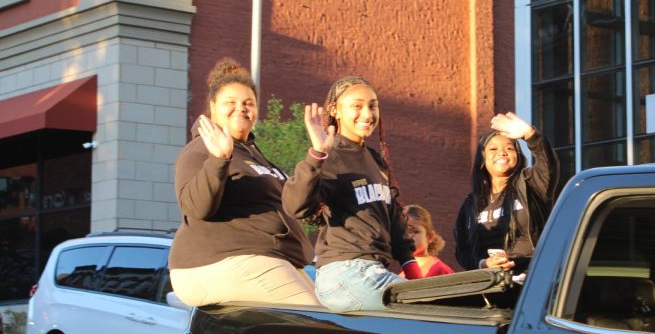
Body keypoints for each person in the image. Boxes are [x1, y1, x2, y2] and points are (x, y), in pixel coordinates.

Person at [168, 58, 319, 307]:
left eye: (248, 103)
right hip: (215, 262)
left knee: (329, 314)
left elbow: (294, 204)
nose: (241, 108)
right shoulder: (199, 150)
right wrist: (218, 160)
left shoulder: (252, 154)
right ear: (213, 107)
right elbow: (196, 208)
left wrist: (317, 155)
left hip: (270, 258)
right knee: (315, 320)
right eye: (231, 102)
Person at [282, 76, 420, 312]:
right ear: (335, 110)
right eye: (357, 106)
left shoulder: (375, 160)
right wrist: (316, 154)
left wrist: (412, 269)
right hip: (346, 274)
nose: (367, 114)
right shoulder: (330, 154)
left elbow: (393, 219)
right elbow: (295, 206)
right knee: (431, 310)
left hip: (374, 271)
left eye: (373, 105)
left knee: (436, 305)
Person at [453, 112, 558, 273]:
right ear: (482, 160)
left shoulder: (531, 184)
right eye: (493, 149)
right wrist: (483, 264)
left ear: (518, 156)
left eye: (510, 148)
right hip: (491, 285)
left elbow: (548, 164)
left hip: (533, 278)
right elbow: (463, 250)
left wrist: (530, 135)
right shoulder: (470, 204)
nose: (502, 153)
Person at [405, 204, 455, 278]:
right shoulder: (402, 273)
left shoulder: (440, 270)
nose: (409, 237)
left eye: (415, 232)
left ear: (430, 237)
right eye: (403, 232)